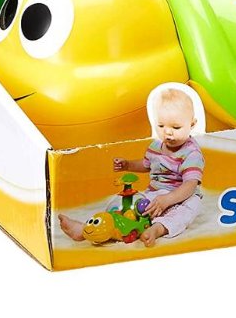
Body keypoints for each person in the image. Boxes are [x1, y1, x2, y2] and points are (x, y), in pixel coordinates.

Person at [58, 88, 204, 247]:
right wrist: (128, 164)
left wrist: (168, 200)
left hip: (182, 197)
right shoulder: (156, 146)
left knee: (189, 209)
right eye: (161, 126)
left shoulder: (191, 153)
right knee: (127, 207)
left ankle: (157, 229)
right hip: (154, 194)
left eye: (176, 127)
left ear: (192, 124)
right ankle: (87, 229)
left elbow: (190, 185)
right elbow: (146, 164)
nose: (168, 132)